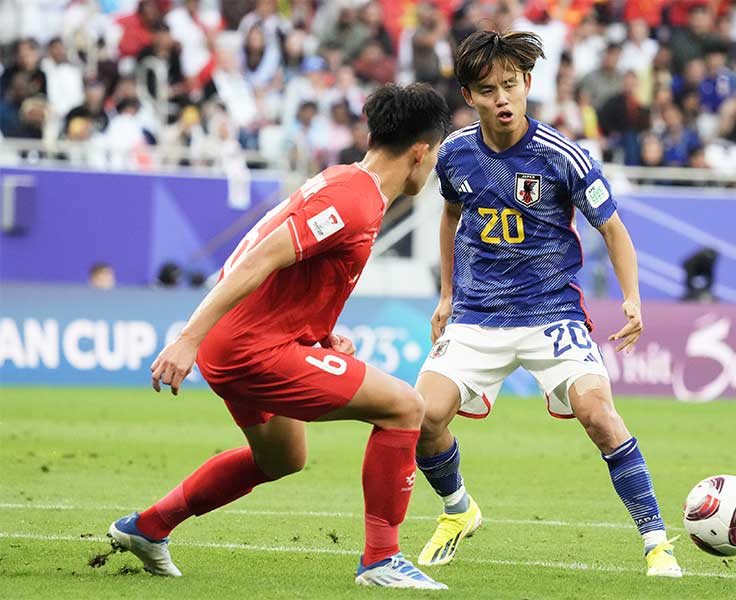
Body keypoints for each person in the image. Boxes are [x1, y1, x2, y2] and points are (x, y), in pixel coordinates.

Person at [106, 83, 451, 590]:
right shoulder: (353, 200)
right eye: (437, 152)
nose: (435, 163)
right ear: (421, 152)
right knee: (404, 406)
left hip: (246, 339)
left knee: (283, 456)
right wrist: (187, 338)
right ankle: (382, 559)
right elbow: (259, 259)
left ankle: (148, 527)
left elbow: (295, 275)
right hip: (248, 348)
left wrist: (321, 336)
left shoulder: (346, 183)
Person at [413, 30, 682, 579]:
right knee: (422, 417)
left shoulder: (563, 156)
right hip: (478, 316)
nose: (502, 99)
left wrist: (632, 298)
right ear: (469, 96)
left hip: (551, 312)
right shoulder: (455, 154)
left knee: (599, 415)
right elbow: (450, 216)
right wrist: (446, 295)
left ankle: (658, 543)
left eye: (511, 85)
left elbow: (613, 229)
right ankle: (459, 510)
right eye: (488, 90)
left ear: (528, 83)